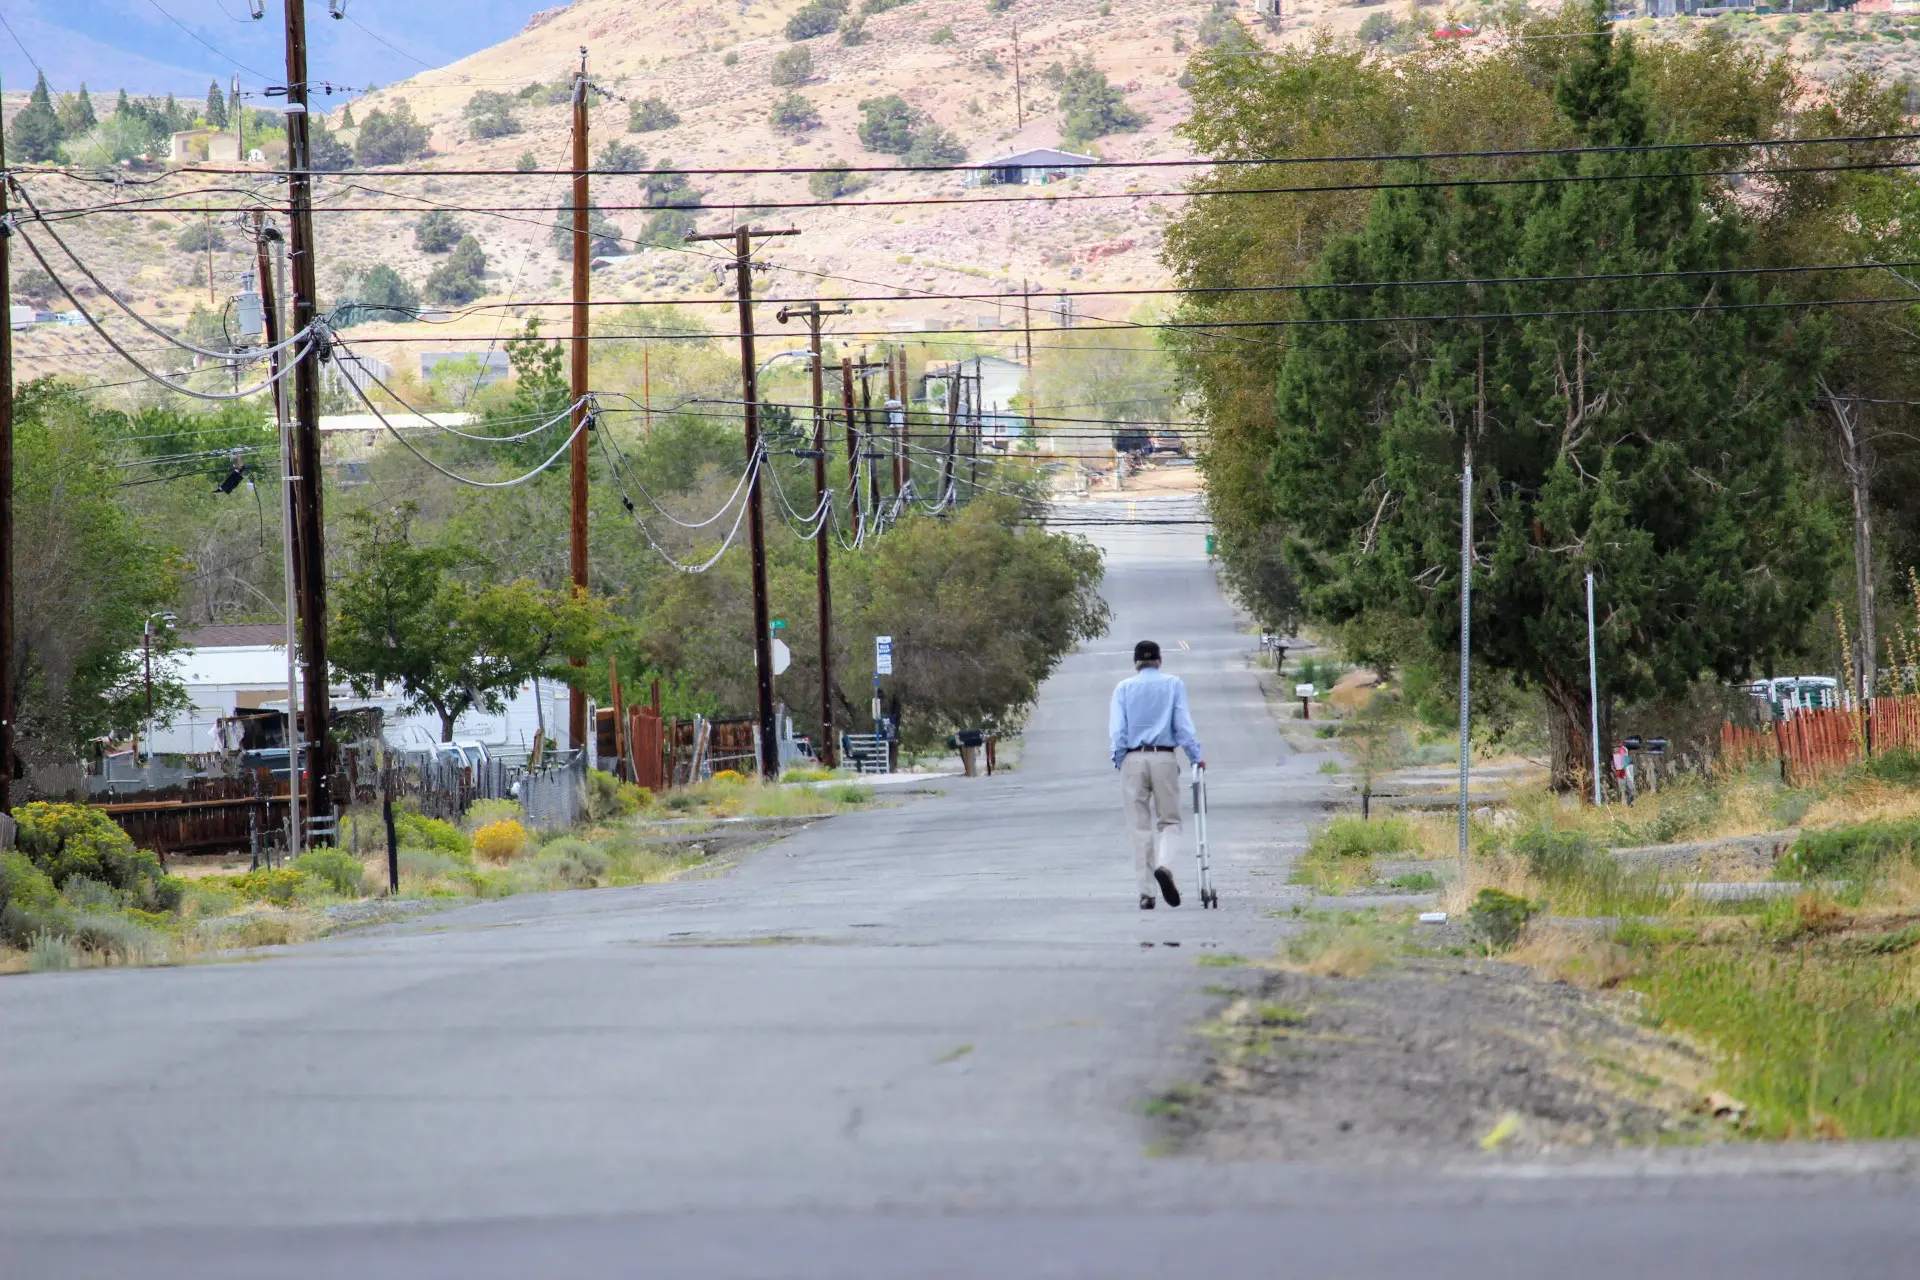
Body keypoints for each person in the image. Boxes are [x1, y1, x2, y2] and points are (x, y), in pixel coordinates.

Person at [1109, 639, 1205, 909]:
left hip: (1132, 758)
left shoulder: (1123, 688)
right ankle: (1164, 865)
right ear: (1159, 661)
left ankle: (1146, 893)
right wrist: (1196, 757)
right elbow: (1183, 725)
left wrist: (1120, 761)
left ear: (1136, 663)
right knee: (1170, 821)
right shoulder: (1173, 684)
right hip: (1163, 756)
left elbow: (1118, 732)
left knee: (1139, 827)